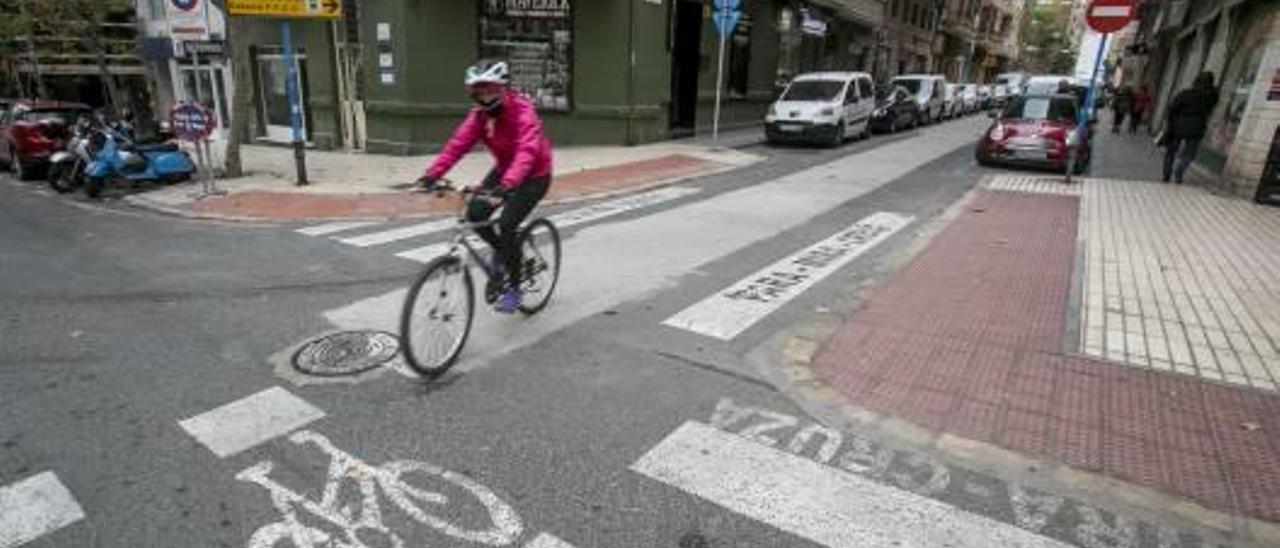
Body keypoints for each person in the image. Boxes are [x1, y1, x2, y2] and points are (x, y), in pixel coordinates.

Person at [417, 60, 553, 313]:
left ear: (503, 88)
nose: (484, 96)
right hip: (504, 171)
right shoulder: (479, 116)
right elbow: (458, 144)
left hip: (534, 175)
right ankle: (504, 254)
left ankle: (514, 288)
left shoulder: (523, 110)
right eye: (478, 92)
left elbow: (528, 149)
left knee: (507, 225)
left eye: (489, 89)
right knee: (475, 214)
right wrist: (432, 174)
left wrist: (507, 185)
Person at [1162, 72, 1218, 184]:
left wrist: (1169, 122)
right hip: (1197, 127)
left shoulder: (1185, 94)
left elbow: (1173, 108)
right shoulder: (1210, 96)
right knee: (1189, 153)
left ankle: (1166, 175)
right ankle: (1179, 171)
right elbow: (1212, 106)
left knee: (1171, 151)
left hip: (1178, 125)